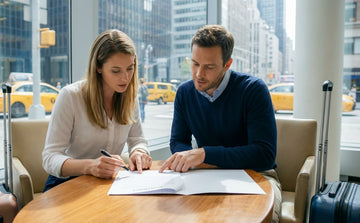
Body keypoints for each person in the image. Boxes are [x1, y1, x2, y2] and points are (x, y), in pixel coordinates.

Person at [159, 25, 281, 223]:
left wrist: (204, 154)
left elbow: (264, 155)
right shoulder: (184, 93)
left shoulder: (253, 90)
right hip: (206, 174)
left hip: (257, 176)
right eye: (195, 63)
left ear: (227, 64)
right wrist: (189, 157)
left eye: (209, 67)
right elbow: (178, 141)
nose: (199, 74)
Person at [42, 29, 152, 191]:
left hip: (105, 185)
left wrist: (138, 152)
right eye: (116, 71)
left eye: (130, 68)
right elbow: (49, 158)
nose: (125, 78)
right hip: (66, 185)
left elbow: (137, 140)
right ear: (98, 67)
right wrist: (90, 166)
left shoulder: (129, 97)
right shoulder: (71, 96)